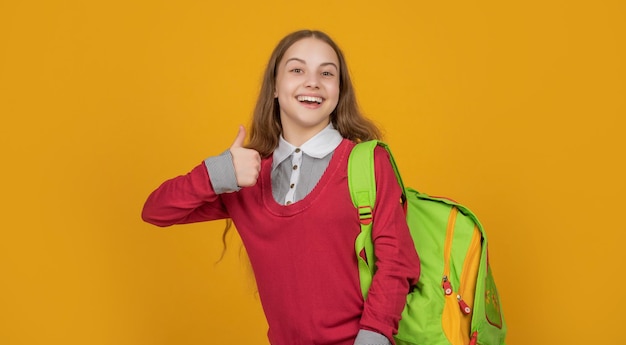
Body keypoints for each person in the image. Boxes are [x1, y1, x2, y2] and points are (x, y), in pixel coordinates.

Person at [142, 29, 420, 345]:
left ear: (339, 90)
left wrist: (373, 337)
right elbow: (156, 210)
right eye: (297, 69)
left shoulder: (366, 161)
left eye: (327, 73)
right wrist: (217, 173)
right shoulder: (245, 175)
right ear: (275, 86)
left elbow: (397, 261)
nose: (312, 81)